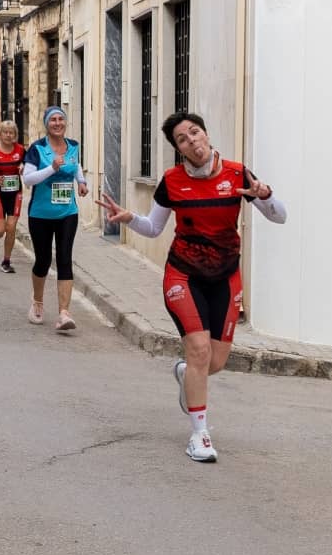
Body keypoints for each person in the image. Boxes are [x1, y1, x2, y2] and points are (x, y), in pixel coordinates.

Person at [96, 112, 287, 463]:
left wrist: (265, 195)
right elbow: (154, 227)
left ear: (206, 134)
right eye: (182, 139)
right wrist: (130, 218)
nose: (192, 141)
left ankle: (187, 374)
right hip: (183, 274)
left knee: (215, 361)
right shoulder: (172, 180)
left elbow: (280, 216)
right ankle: (199, 435)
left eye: (195, 132)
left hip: (226, 276)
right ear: (178, 149)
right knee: (199, 350)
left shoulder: (237, 174)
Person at [23, 106, 89, 332]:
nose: (58, 123)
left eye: (61, 119)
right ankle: (37, 302)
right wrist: (51, 168)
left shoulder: (73, 146)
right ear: (46, 124)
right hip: (40, 214)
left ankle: (64, 313)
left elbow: (76, 165)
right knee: (43, 261)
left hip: (67, 212)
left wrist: (81, 182)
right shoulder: (37, 149)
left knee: (64, 258)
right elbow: (28, 179)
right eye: (53, 120)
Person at [0, 120, 26, 273]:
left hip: (15, 193)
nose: (8, 135)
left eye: (11, 133)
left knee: (11, 227)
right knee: (0, 230)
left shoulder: (21, 150)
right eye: (5, 132)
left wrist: (24, 166)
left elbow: (29, 164)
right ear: (0, 134)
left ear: (15, 135)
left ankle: (6, 261)